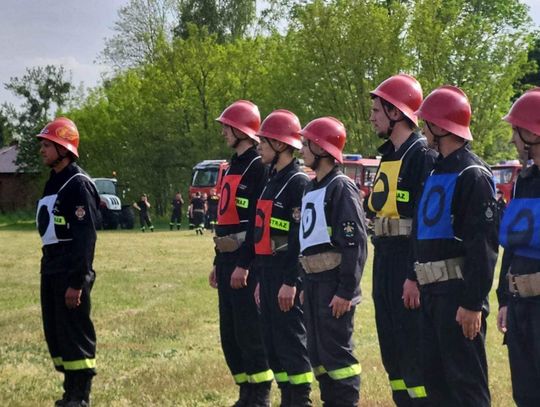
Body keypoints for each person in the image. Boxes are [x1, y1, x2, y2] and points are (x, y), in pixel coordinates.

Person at [413, 86, 498, 406]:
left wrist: (473, 303)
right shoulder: (435, 168)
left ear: (440, 126)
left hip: (457, 296)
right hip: (432, 294)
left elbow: (484, 245)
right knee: (436, 384)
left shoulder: (473, 173)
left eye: (427, 123)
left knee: (466, 386)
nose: (423, 129)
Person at [368, 74, 436, 405]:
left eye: (377, 110)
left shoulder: (421, 156)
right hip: (383, 262)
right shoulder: (389, 155)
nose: (372, 117)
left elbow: (424, 224)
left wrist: (413, 275)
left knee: (412, 351)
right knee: (391, 351)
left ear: (396, 112)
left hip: (405, 267)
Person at [298, 117, 367, 406]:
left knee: (338, 356)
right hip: (313, 284)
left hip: (333, 286)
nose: (302, 150)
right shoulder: (311, 187)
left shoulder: (341, 188)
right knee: (318, 355)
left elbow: (355, 244)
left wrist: (345, 291)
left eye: (306, 144)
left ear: (321, 147)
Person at [208, 100, 272, 406]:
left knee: (249, 331)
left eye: (227, 127)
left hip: (245, 262)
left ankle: (259, 395)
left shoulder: (259, 167)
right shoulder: (232, 165)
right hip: (226, 259)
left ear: (242, 130)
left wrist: (245, 265)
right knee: (230, 334)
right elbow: (225, 220)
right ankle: (245, 392)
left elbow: (256, 224)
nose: (223, 131)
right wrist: (217, 262)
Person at [249, 110, 312, 406]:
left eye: (265, 140)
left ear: (281, 145)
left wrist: (291, 282)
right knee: (273, 346)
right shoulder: (272, 179)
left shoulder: (298, 183)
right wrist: (261, 279)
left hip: (286, 275)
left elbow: (300, 239)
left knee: (291, 345)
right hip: (267, 272)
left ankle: (300, 400)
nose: (259, 145)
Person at [36, 117, 100, 407]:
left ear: (64, 149)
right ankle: (69, 391)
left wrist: (78, 281)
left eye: (47, 145)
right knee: (57, 331)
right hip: (51, 267)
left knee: (74, 331)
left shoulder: (78, 184)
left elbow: (85, 238)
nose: (42, 150)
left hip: (70, 269)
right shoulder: (53, 181)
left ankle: (80, 395)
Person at [496, 88, 540, 407]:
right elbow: (511, 246)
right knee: (525, 395)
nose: (513, 139)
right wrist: (504, 299)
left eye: (517, 130)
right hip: (521, 305)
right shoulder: (524, 180)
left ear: (534, 133)